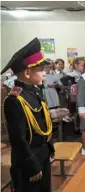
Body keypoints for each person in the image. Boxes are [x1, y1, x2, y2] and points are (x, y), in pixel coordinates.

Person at [1, 37, 55, 192]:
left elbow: (44, 123)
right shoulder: (15, 99)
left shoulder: (35, 92)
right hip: (28, 159)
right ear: (27, 72)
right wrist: (32, 164)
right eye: (41, 70)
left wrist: (50, 149)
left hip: (42, 153)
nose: (45, 73)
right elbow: (18, 139)